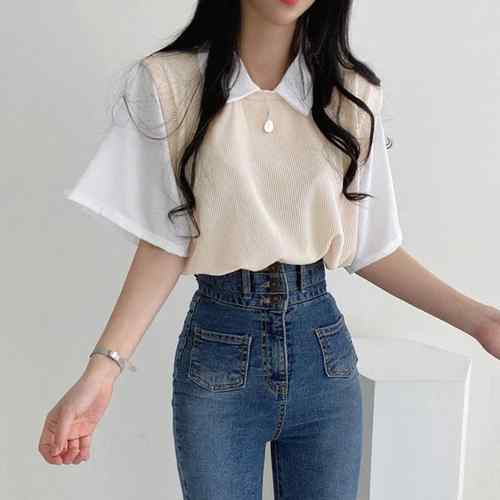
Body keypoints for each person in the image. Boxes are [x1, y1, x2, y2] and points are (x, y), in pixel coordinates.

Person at [38, 1, 500, 499]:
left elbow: (369, 246)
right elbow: (165, 241)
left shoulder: (351, 94)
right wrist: (101, 371)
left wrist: (481, 321)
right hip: (220, 355)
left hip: (322, 354)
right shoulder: (170, 84)